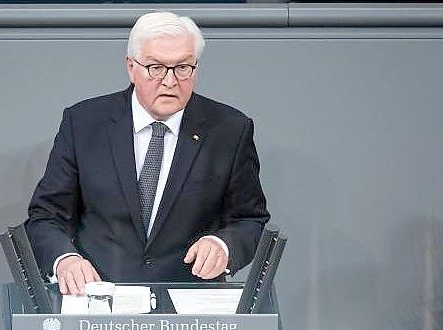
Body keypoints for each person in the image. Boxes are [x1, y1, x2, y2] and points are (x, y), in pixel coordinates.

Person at [27, 11, 269, 295]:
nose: (170, 81)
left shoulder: (229, 130)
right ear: (132, 67)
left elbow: (249, 218)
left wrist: (223, 246)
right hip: (98, 301)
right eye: (156, 67)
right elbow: (46, 216)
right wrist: (65, 260)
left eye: (182, 68)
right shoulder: (84, 123)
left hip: (189, 308)